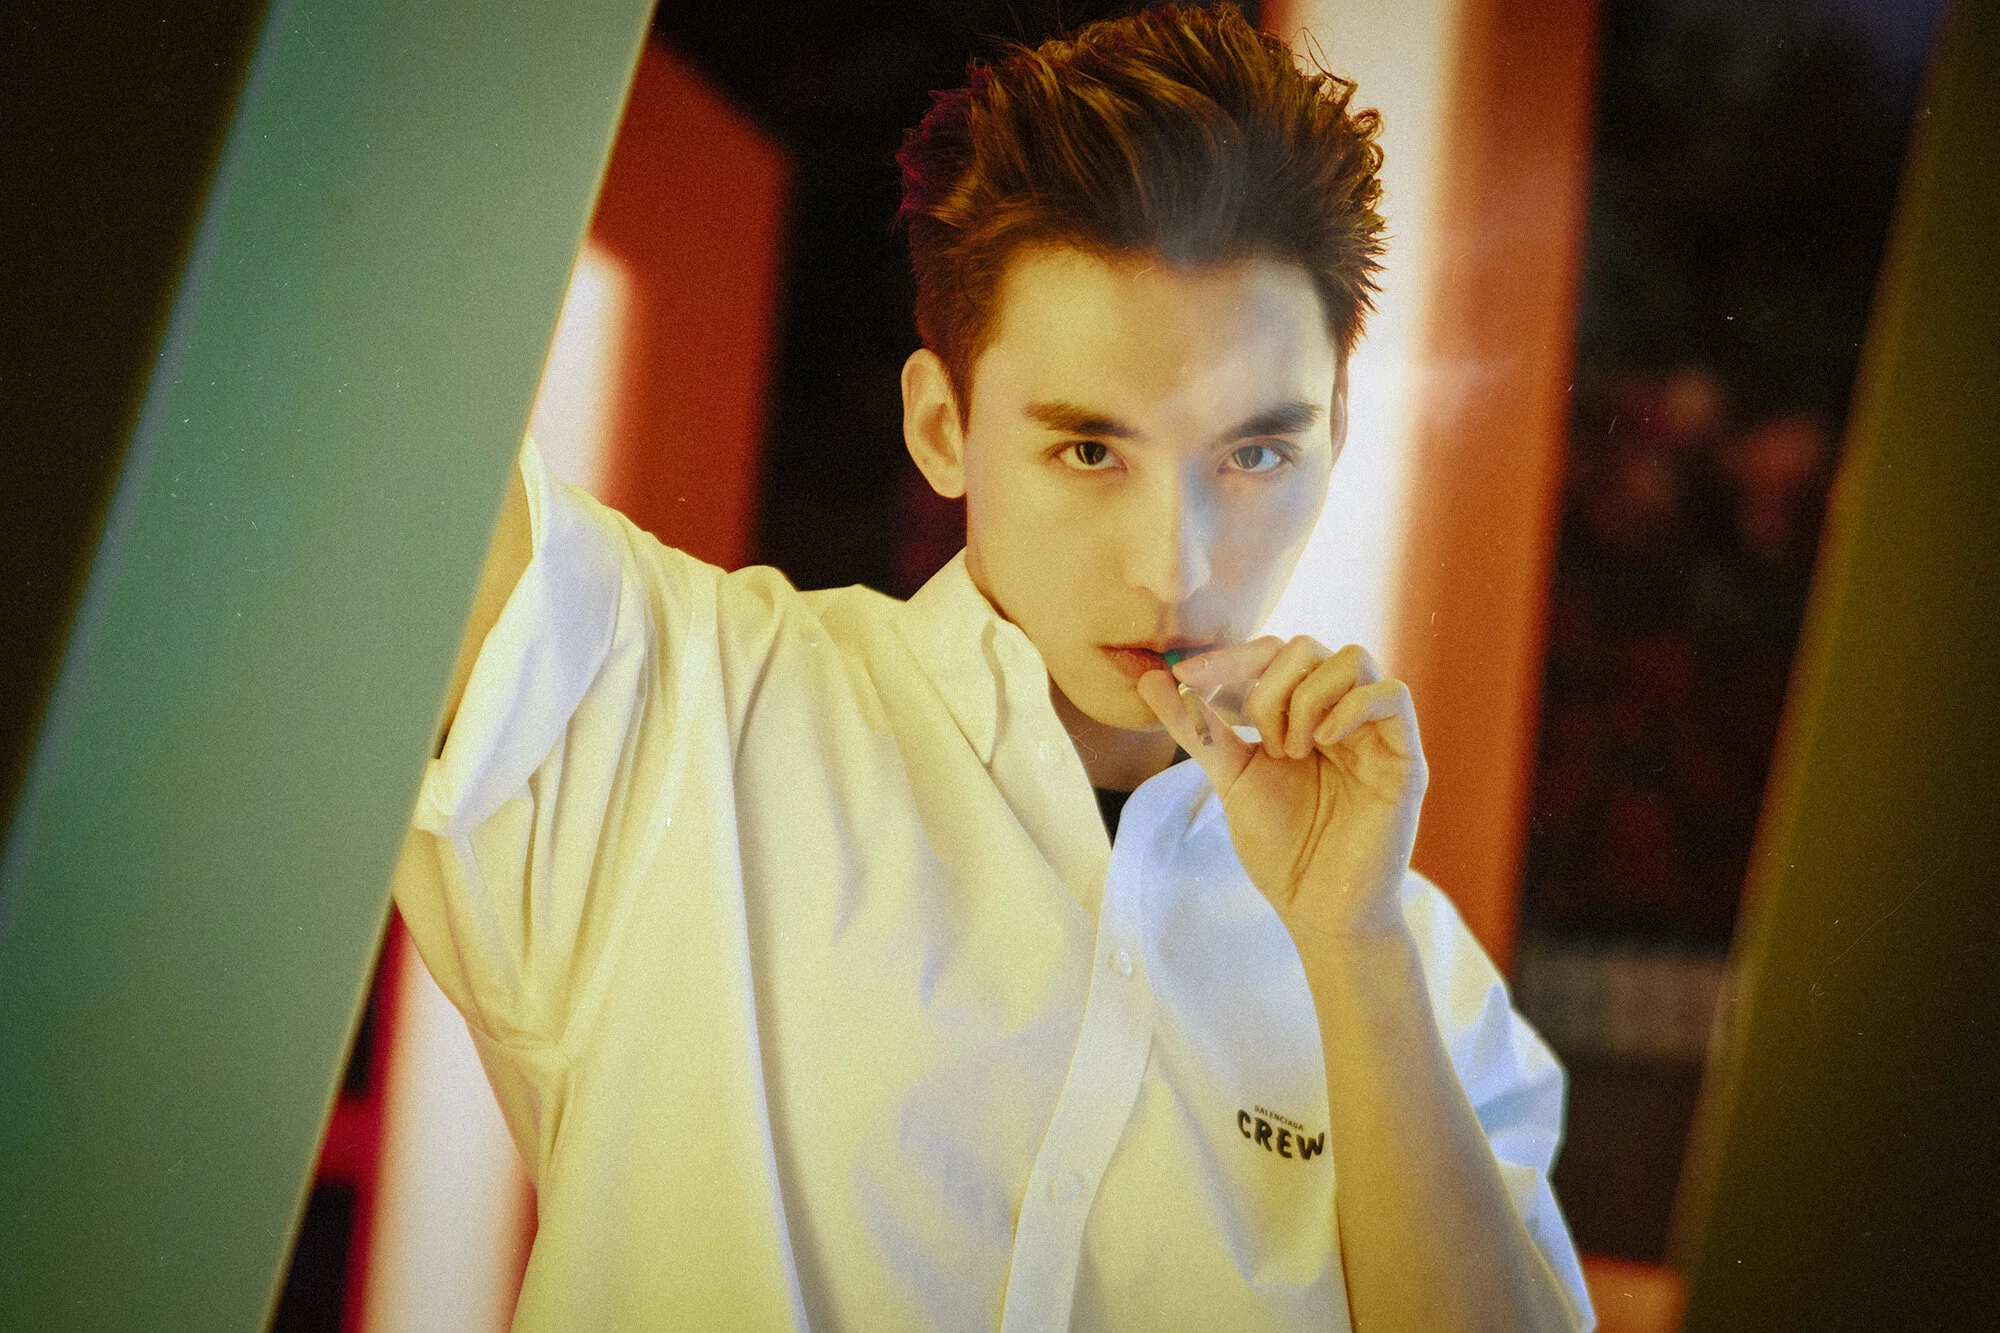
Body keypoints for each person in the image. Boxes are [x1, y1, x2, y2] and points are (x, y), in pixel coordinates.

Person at [401, 5, 1593, 1328]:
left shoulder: (1424, 987)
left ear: (1336, 435)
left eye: (1255, 453)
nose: (1175, 565)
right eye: (1091, 451)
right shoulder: (674, 708)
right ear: (941, 426)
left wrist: (1354, 955)